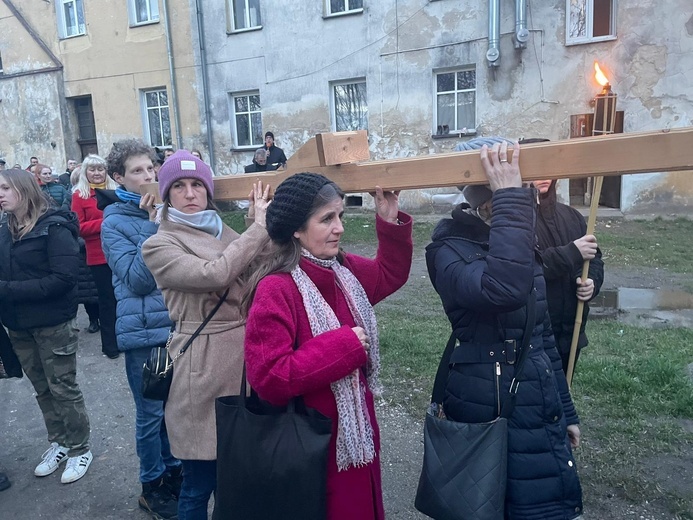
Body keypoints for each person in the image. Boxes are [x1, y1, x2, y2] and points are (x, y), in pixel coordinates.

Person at [425, 137, 583, 519]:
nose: (518, 213)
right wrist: (511, 200)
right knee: (487, 502)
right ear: (481, 208)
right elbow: (503, 290)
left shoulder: (515, 242)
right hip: (487, 399)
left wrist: (567, 411)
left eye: (518, 203)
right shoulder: (448, 249)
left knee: (540, 504)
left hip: (536, 397)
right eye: (503, 205)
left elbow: (541, 336)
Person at [243, 172, 413, 520]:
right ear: (295, 228)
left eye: (340, 216)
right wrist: (344, 348)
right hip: (311, 446)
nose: (340, 228)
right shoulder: (277, 288)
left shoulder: (341, 270)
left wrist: (388, 219)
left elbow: (387, 275)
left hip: (354, 438)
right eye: (326, 219)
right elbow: (269, 379)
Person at [142, 150, 270, 519]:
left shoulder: (223, 230)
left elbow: (261, 266)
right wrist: (257, 230)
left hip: (245, 358)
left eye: (197, 184)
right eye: (179, 186)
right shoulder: (159, 243)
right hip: (202, 365)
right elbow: (212, 275)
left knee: (241, 476)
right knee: (200, 481)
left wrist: (253, 221)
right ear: (166, 195)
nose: (190, 193)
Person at [99, 139, 180, 520]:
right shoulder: (114, 222)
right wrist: (154, 227)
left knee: (174, 408)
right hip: (144, 335)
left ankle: (173, 470)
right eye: (137, 171)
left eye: (151, 169)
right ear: (119, 178)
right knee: (151, 413)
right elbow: (138, 280)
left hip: (177, 329)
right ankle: (151, 486)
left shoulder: (169, 210)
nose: (148, 177)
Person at [0, 168, 93, 484]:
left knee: (63, 387)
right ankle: (61, 442)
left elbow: (64, 280)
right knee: (41, 388)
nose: (0, 194)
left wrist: (7, 290)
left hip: (53, 323)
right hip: (19, 325)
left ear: (23, 190)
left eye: (4, 188)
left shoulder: (54, 227)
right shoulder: (4, 229)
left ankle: (80, 448)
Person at [519, 138, 604, 375]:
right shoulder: (517, 219)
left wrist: (591, 283)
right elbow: (525, 266)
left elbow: (594, 257)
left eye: (549, 167)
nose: (544, 175)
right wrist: (571, 252)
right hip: (535, 335)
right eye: (537, 168)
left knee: (564, 399)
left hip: (572, 330)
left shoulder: (572, 216)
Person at [71, 155, 120, 357]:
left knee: (122, 299)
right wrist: (105, 223)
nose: (97, 173)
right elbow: (77, 228)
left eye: (100, 169)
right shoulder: (79, 195)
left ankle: (125, 339)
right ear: (85, 172)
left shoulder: (115, 191)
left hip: (119, 250)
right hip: (98, 254)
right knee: (107, 301)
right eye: (93, 169)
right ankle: (110, 346)